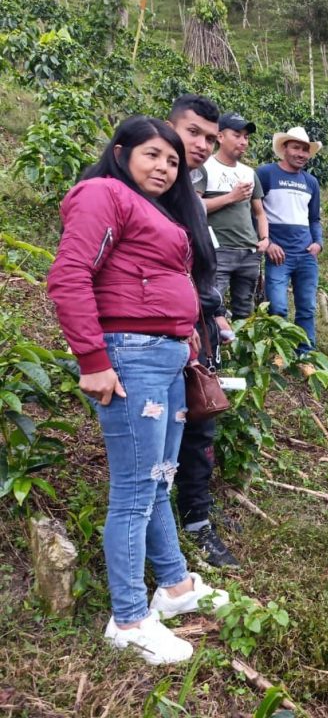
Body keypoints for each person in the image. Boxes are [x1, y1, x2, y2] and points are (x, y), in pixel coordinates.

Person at [48, 116, 229, 665]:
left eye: (173, 161)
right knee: (134, 490)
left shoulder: (155, 209)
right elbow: (69, 275)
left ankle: (173, 586)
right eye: (153, 154)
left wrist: (186, 342)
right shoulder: (103, 193)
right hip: (130, 356)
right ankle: (127, 618)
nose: (165, 167)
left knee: (159, 479)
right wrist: (93, 360)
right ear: (122, 151)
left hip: (165, 356)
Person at [168, 94, 241, 569]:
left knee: (199, 423)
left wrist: (216, 314)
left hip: (198, 329)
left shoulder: (192, 200)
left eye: (210, 138)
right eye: (192, 132)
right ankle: (165, 527)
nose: (201, 144)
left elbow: (202, 269)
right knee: (163, 428)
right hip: (156, 335)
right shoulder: (140, 191)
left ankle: (196, 517)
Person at [257, 126, 323, 353]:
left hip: (306, 255)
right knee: (277, 307)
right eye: (296, 148)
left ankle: (305, 354)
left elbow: (314, 218)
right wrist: (268, 243)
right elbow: (255, 212)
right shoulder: (265, 174)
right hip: (279, 254)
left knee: (307, 308)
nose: (301, 154)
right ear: (284, 148)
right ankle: (278, 353)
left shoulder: (311, 182)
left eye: (305, 150)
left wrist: (318, 243)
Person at [197, 111, 269, 320]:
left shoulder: (249, 172)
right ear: (220, 136)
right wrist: (231, 197)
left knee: (244, 312)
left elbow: (260, 212)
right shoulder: (204, 168)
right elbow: (195, 207)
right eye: (237, 135)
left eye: (246, 137)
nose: (243, 141)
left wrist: (264, 238)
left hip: (249, 252)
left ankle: (238, 342)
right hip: (217, 251)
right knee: (211, 306)